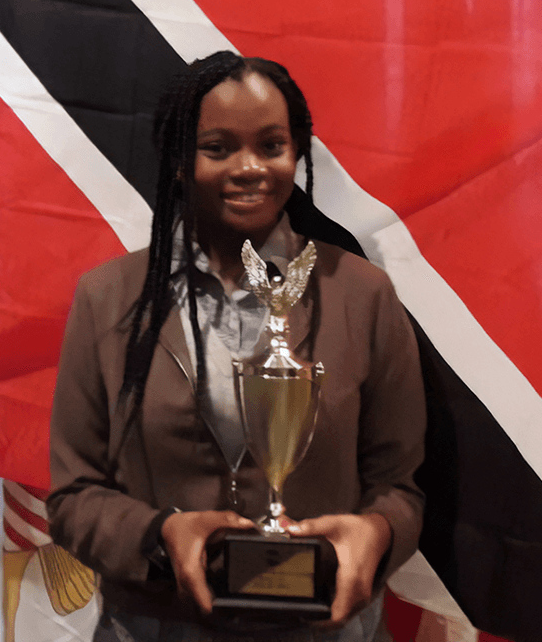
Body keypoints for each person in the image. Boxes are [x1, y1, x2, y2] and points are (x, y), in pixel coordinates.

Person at [47, 51, 426, 641]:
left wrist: (377, 533)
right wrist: (160, 536)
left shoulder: (362, 295)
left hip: (321, 630)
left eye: (271, 146)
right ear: (178, 160)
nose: (250, 168)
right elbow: (73, 495)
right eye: (217, 148)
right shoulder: (109, 299)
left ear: (296, 155)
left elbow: (400, 486)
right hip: (156, 626)